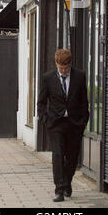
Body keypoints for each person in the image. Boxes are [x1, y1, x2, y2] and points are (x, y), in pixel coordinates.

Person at [37, 48, 89, 202]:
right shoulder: (48, 78)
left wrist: (83, 121)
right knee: (58, 155)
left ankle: (67, 183)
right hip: (56, 123)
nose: (64, 71)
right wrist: (45, 119)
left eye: (66, 68)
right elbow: (41, 102)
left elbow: (83, 101)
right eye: (61, 68)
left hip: (74, 123)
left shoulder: (80, 76)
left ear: (70, 64)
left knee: (72, 157)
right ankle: (59, 189)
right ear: (56, 64)